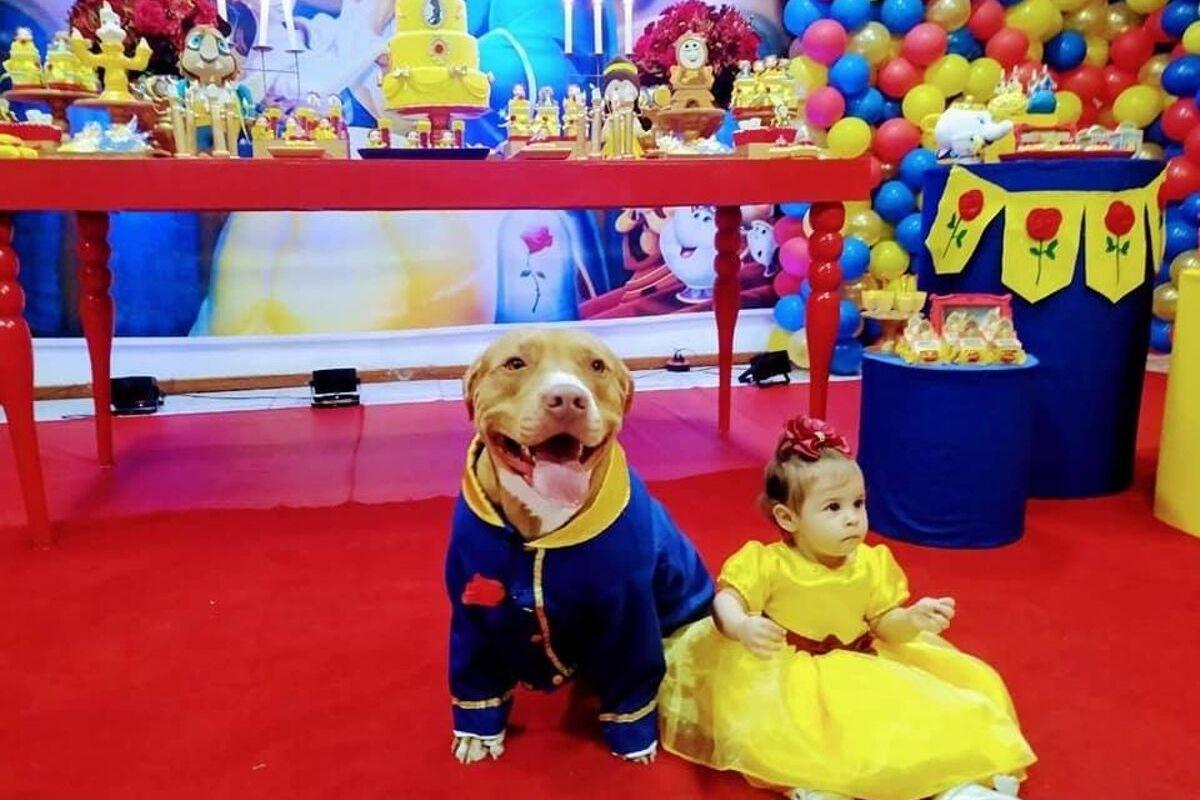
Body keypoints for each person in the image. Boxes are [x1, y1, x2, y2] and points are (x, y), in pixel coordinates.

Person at [657, 416, 1036, 800]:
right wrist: (741, 626)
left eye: (858, 503)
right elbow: (727, 599)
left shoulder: (870, 563)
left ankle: (956, 784)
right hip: (786, 673)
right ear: (788, 518)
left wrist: (911, 620)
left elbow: (885, 623)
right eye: (833, 507)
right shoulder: (768, 563)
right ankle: (816, 784)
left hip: (859, 662)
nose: (853, 518)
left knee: (912, 714)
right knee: (798, 735)